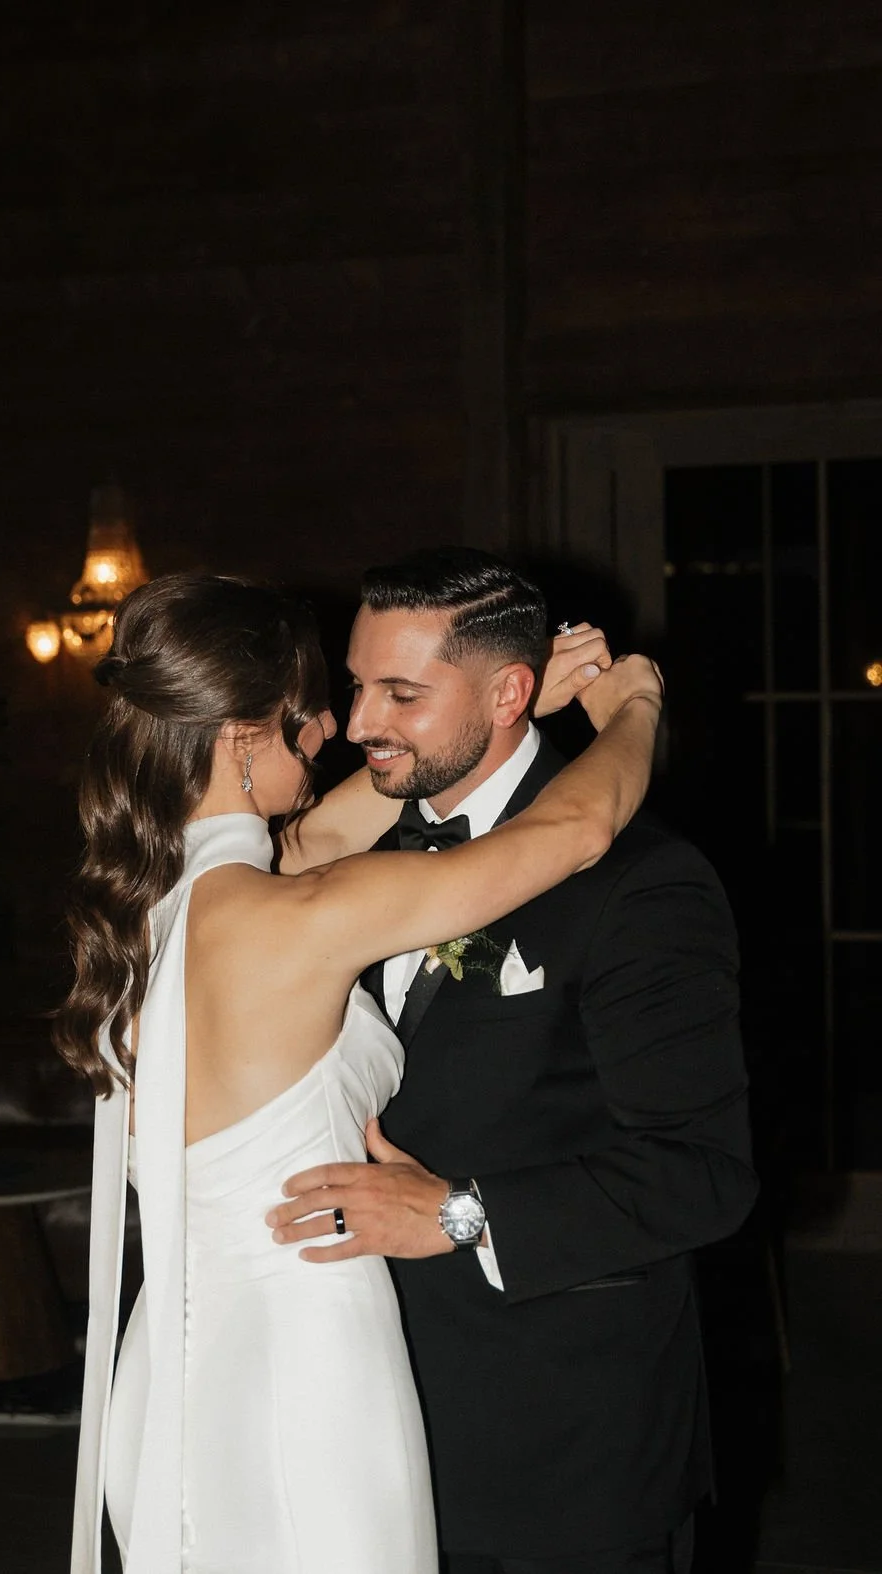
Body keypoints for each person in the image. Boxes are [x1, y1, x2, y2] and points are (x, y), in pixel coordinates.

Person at [57, 570, 662, 1574]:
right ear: (238, 736)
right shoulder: (288, 915)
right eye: (306, 716)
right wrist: (632, 706)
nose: (337, 724)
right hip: (303, 1361)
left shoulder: (159, 904)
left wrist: (499, 705)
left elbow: (326, 833)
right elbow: (573, 832)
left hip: (178, 1365)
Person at [270, 548, 760, 1574]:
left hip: (562, 1452)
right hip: (366, 1424)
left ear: (509, 693)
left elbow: (700, 1172)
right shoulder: (348, 857)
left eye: (400, 692)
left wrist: (456, 1211)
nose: (360, 724)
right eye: (359, 684)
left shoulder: (645, 883)